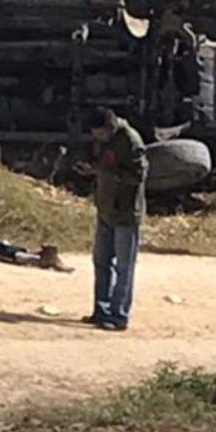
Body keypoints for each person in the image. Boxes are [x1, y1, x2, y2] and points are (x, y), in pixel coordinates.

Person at [85, 107, 147, 331]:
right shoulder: (102, 140)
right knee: (101, 262)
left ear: (109, 127)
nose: (97, 138)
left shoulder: (130, 140)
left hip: (126, 213)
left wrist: (112, 174)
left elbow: (139, 174)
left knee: (124, 267)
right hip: (105, 208)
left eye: (99, 134)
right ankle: (101, 310)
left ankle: (119, 315)